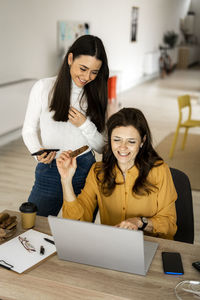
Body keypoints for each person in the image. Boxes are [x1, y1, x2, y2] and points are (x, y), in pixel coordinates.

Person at [57, 107, 177, 240]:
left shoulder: (160, 170)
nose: (123, 147)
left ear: (142, 141)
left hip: (151, 245)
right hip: (112, 245)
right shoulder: (98, 171)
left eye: (131, 141)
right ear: (109, 139)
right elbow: (77, 222)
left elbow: (169, 225)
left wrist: (139, 222)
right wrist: (66, 181)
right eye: (117, 139)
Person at [22, 35, 109, 217]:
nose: (87, 77)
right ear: (70, 59)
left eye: (94, 72)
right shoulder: (43, 87)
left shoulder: (96, 94)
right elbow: (29, 129)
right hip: (50, 168)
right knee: (35, 225)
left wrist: (84, 124)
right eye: (83, 68)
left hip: (84, 168)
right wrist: (38, 153)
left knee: (80, 232)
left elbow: (101, 147)